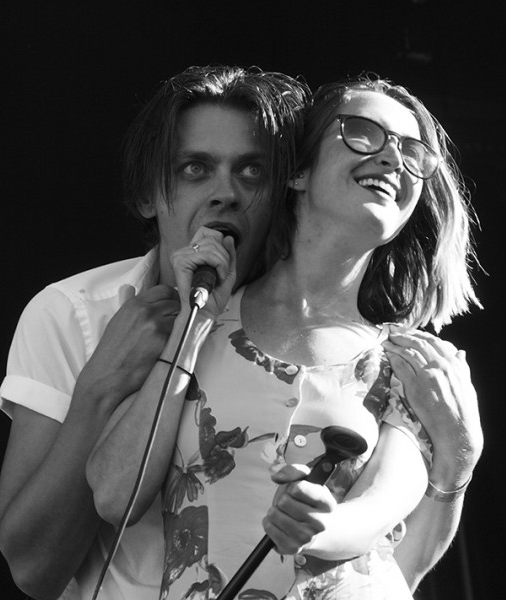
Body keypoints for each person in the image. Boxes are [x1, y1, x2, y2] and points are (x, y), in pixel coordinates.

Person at [85, 74, 481, 599]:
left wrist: (320, 524)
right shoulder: (201, 315)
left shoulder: (413, 362)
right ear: (297, 171)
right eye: (363, 133)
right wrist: (191, 328)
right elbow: (114, 494)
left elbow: (383, 508)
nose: (392, 158)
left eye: (412, 152)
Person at [0, 65, 309, 600]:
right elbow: (33, 569)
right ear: (147, 195)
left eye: (252, 172)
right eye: (195, 169)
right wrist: (100, 387)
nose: (226, 193)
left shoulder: (306, 329)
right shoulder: (72, 315)